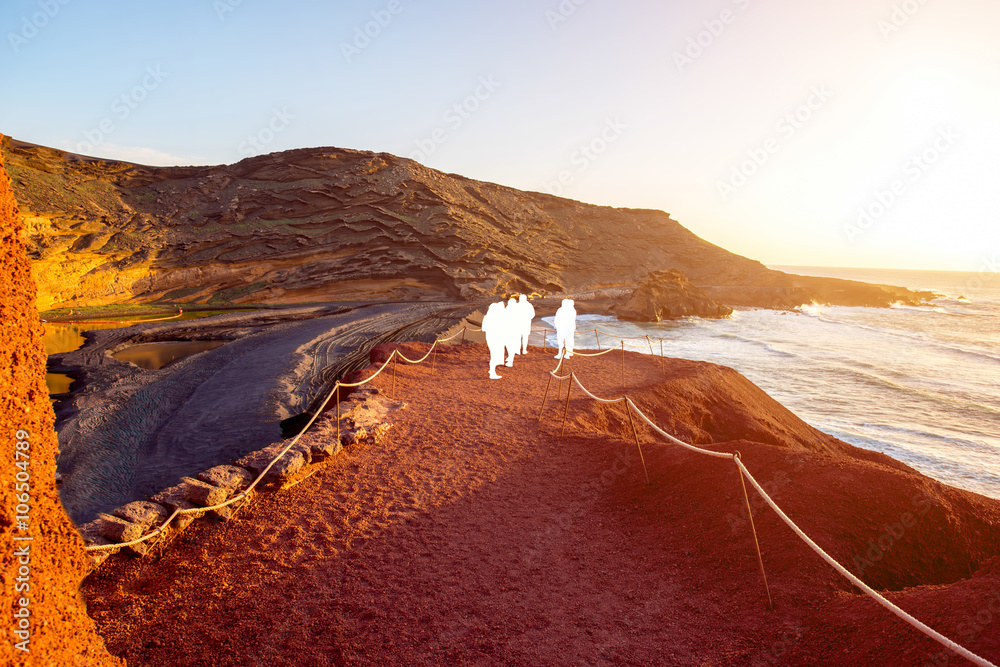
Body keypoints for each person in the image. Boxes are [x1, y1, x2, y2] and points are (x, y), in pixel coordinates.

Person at [481, 301, 507, 379]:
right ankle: (492, 373)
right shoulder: (497, 318)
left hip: (490, 337)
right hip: (496, 338)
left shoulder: (487, 317)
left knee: (494, 354)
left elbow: (483, 329)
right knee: (494, 355)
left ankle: (492, 370)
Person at [504, 297, 519, 366]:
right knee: (509, 345)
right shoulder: (512, 309)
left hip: (511, 330)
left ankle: (510, 361)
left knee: (510, 345)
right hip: (511, 330)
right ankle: (510, 358)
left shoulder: (510, 309)